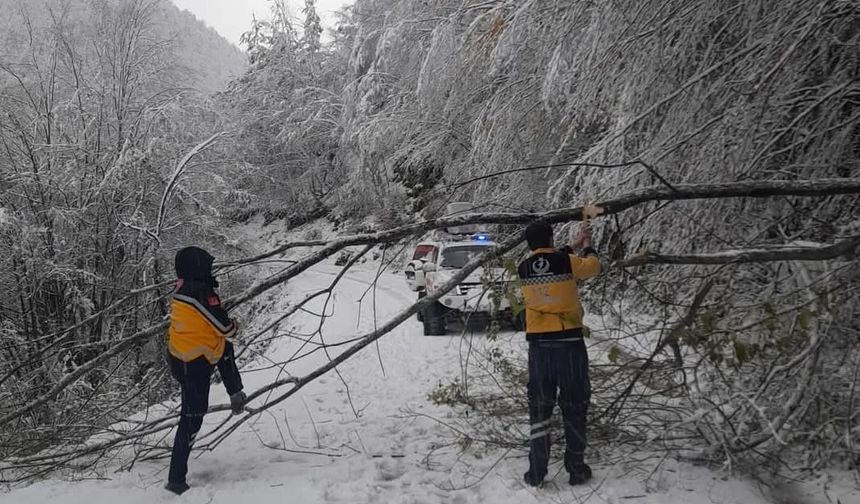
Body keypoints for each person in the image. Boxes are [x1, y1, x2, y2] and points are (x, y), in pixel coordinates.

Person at [518, 218, 600, 487]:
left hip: (539, 348)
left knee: (540, 406)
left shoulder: (524, 267)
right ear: (551, 240)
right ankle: (576, 468)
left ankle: (537, 472)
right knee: (574, 405)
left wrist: (571, 245)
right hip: (569, 344)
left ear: (530, 245)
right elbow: (592, 268)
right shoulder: (567, 262)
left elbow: (550, 260)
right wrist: (586, 245)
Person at [165, 246, 247, 495]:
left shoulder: (185, 287)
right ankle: (176, 480)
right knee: (191, 418)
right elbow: (224, 327)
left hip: (185, 354)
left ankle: (236, 392)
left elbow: (213, 327)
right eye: (207, 265)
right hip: (192, 362)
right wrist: (234, 324)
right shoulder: (197, 292)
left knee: (225, 350)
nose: (211, 269)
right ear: (197, 267)